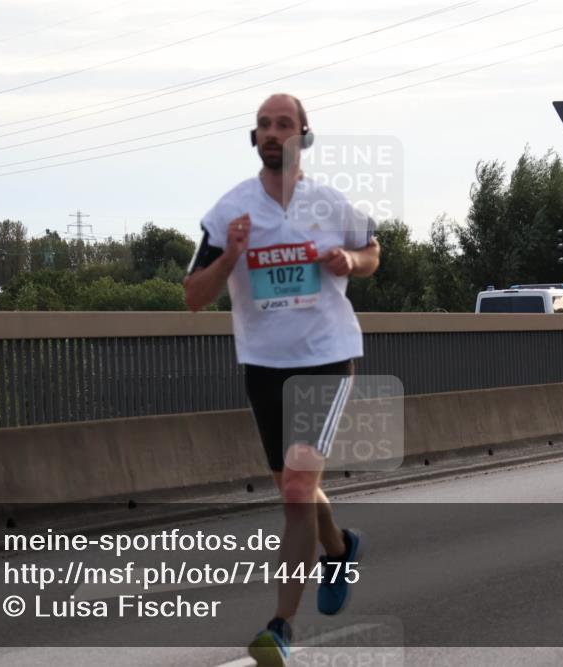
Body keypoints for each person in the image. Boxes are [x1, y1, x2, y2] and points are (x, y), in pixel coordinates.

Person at [184, 93, 380, 666]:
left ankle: (281, 628)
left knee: (296, 491)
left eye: (283, 124)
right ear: (255, 138)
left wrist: (350, 261)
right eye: (264, 125)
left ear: (303, 136)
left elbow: (372, 250)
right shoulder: (230, 212)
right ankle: (339, 548)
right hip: (264, 366)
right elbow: (193, 296)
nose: (272, 132)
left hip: (326, 356)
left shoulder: (329, 203)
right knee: (295, 488)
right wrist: (229, 257)